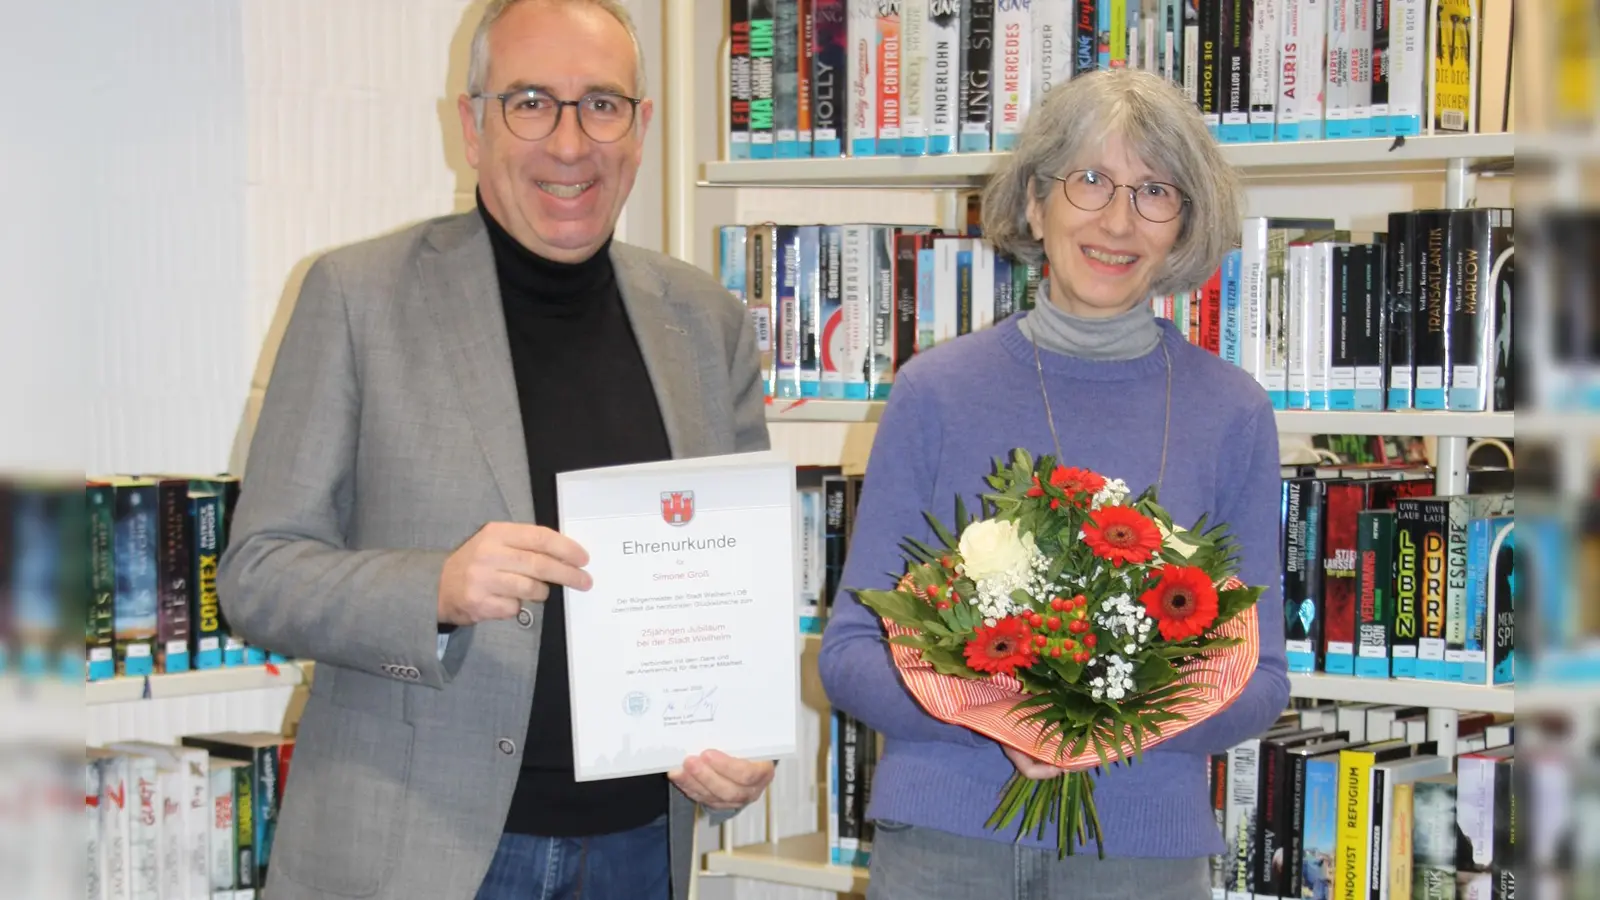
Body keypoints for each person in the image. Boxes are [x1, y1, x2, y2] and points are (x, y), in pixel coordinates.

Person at [217, 1, 774, 898]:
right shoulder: (357, 298)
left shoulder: (703, 319)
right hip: (420, 847)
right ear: (472, 126)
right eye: (529, 102)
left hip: (639, 846)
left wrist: (749, 745)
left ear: (642, 129)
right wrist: (432, 590)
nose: (569, 143)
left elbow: (745, 587)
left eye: (601, 104)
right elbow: (258, 576)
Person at [817, 68, 1291, 900]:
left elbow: (1261, 680)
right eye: (1090, 181)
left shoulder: (1233, 411)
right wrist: (994, 720)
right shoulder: (935, 391)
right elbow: (852, 653)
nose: (1117, 219)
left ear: (1184, 225)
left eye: (1155, 191)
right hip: (944, 842)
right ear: (1035, 202)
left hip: (1140, 850)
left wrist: (1117, 729)